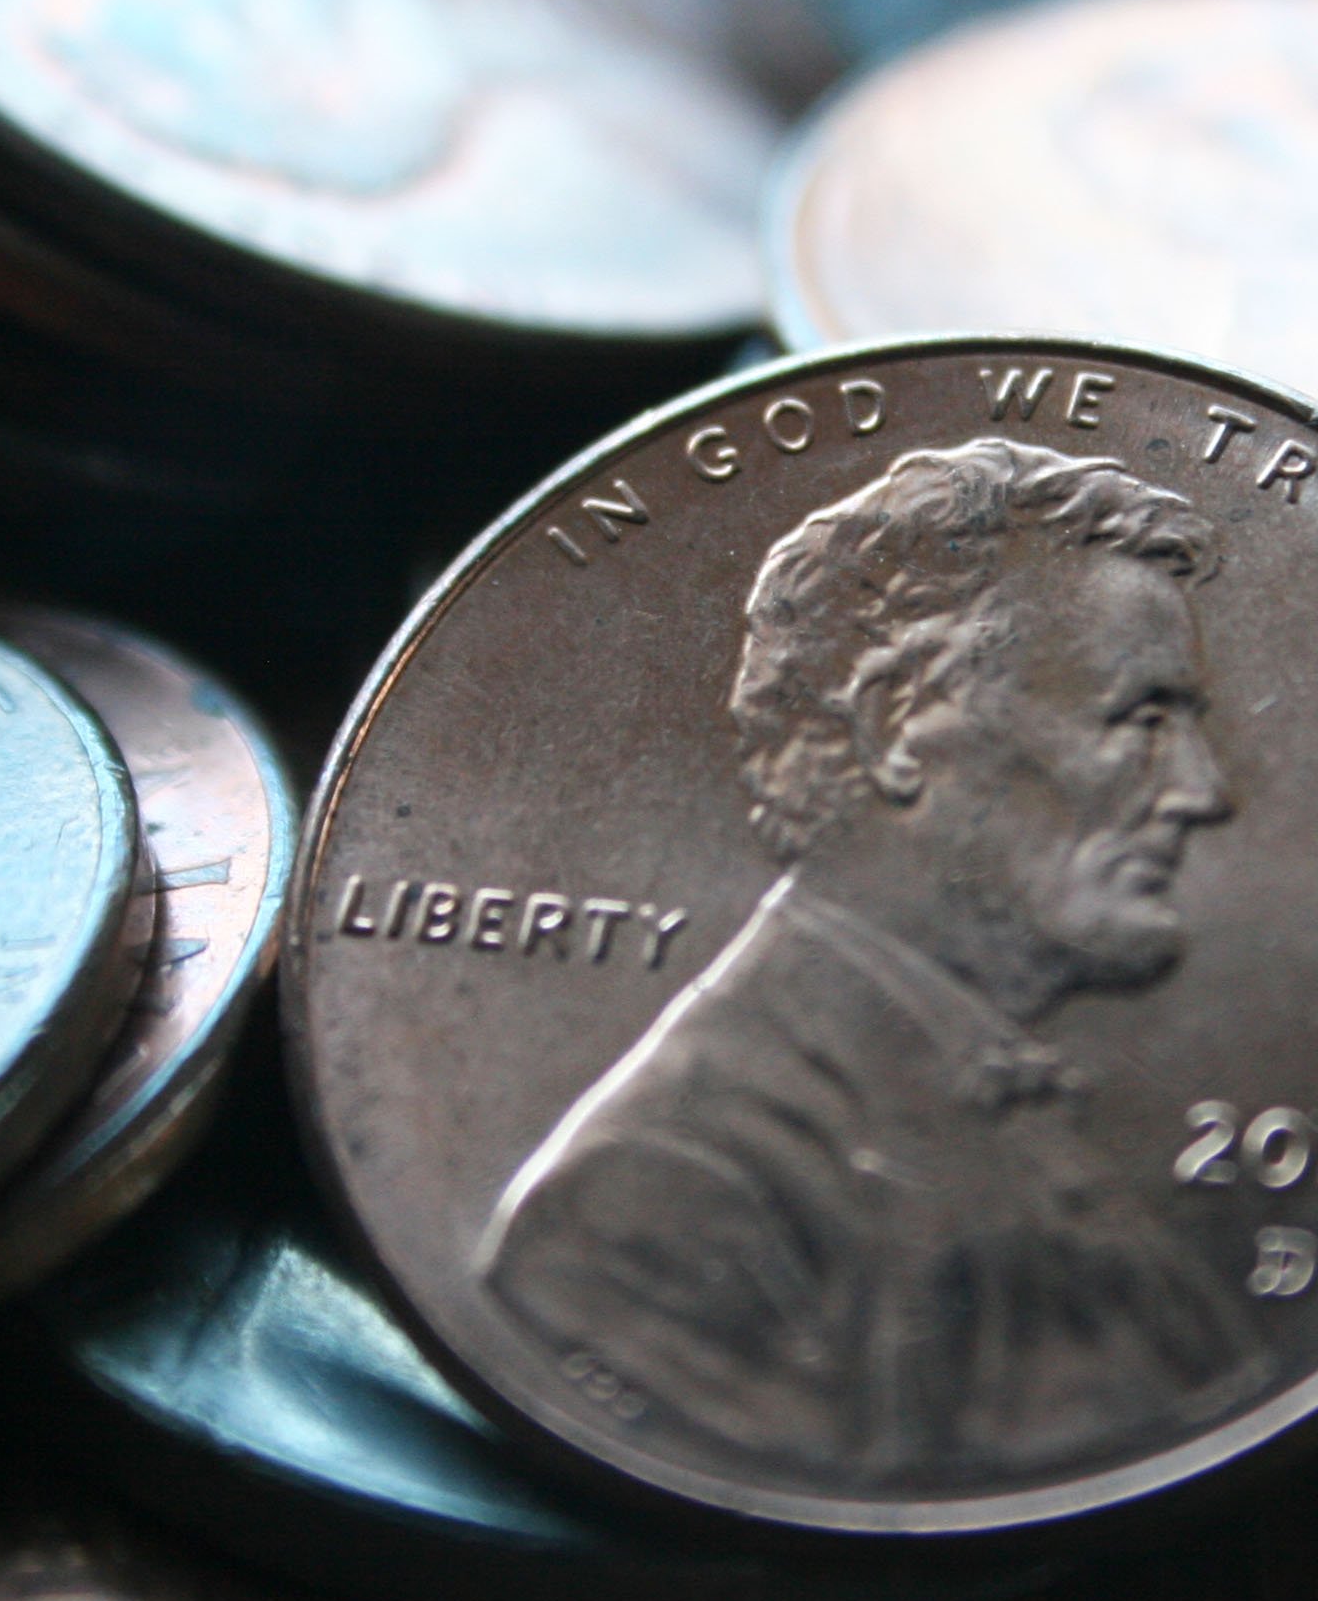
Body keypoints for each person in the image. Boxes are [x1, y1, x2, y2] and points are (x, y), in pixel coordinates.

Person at [481, 439, 1269, 1486]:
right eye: (1143, 720)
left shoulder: (998, 1114)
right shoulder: (666, 1188)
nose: (1204, 792)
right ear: (899, 723)